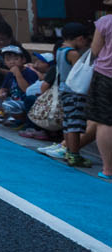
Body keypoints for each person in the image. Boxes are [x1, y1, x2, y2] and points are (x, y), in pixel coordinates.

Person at [39, 22, 94, 167]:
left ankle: (69, 151)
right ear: (80, 38)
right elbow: (80, 73)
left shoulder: (60, 50)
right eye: (86, 41)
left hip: (64, 90)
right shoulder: (73, 53)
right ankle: (74, 154)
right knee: (76, 125)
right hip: (75, 91)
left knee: (68, 123)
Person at [0, 45, 41, 123]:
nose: (12, 62)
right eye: (8, 60)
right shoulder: (10, 73)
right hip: (13, 99)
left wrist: (17, 73)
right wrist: (0, 93)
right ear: (4, 62)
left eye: (16, 59)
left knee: (9, 105)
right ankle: (3, 114)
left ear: (23, 60)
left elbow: (26, 90)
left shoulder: (29, 73)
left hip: (24, 102)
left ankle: (20, 120)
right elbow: (4, 88)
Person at [87, 10, 112, 181]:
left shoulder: (105, 21)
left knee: (105, 122)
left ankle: (108, 169)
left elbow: (95, 50)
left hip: (105, 76)